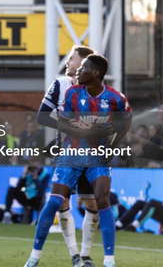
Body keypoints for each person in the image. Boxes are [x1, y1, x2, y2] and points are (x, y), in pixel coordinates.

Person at [24, 54, 132, 267]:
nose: (78, 71)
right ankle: (34, 257)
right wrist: (89, 130)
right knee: (55, 200)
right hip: (70, 155)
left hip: (98, 158)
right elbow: (62, 123)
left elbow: (127, 120)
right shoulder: (72, 93)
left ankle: (108, 261)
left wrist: (112, 146)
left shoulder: (115, 98)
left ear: (95, 73)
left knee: (102, 200)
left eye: (82, 67)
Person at [35, 45, 100, 267]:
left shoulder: (96, 90)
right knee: (62, 202)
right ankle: (74, 255)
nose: (67, 63)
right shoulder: (60, 85)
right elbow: (42, 116)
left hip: (91, 154)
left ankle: (86, 255)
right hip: (65, 152)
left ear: (83, 64)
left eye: (71, 59)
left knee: (92, 204)